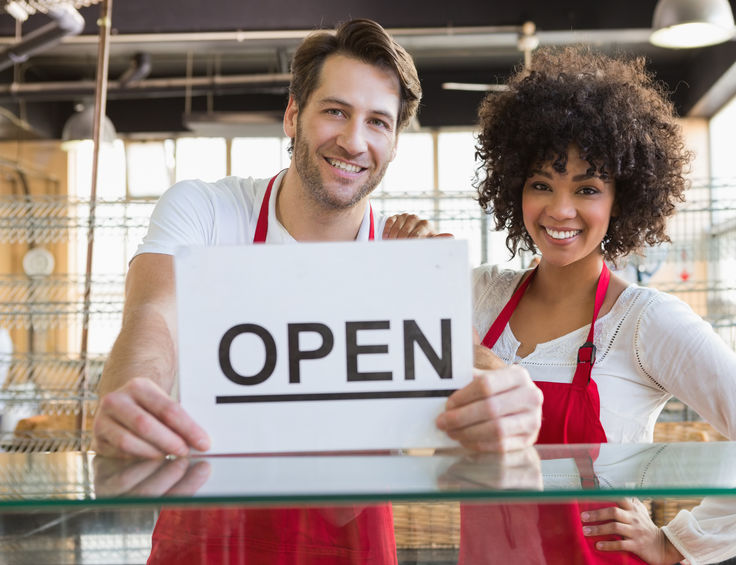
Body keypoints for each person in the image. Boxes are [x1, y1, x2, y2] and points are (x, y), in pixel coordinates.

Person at [92, 18, 541, 564]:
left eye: (378, 121)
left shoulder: (405, 256)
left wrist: (507, 396)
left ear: (395, 142)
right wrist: (133, 396)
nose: (354, 140)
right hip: (207, 535)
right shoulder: (207, 211)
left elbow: (466, 361)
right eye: (336, 111)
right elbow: (154, 315)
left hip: (350, 540)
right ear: (292, 115)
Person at [462, 46, 736, 564]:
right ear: (515, 187)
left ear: (622, 200)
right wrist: (413, 255)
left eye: (587, 188)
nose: (560, 209)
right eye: (542, 184)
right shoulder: (479, 297)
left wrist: (676, 542)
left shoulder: (644, 322)